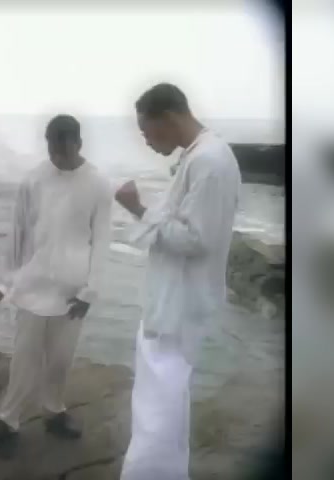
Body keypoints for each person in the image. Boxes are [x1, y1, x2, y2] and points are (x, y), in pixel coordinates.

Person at [115, 83, 241, 479]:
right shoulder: (199, 155)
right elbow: (185, 224)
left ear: (168, 118)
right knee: (163, 408)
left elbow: (195, 239)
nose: (146, 141)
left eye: (146, 131)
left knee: (156, 413)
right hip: (174, 302)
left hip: (179, 306)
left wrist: (138, 208)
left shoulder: (209, 161)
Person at [0, 114, 113, 458]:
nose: (58, 158)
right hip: (32, 287)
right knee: (23, 359)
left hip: (72, 293)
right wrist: (2, 283)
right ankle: (8, 420)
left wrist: (90, 291)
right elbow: (18, 235)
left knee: (61, 360)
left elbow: (102, 241)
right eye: (52, 150)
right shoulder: (34, 180)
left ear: (79, 144)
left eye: (64, 150)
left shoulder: (98, 183)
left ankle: (54, 411)